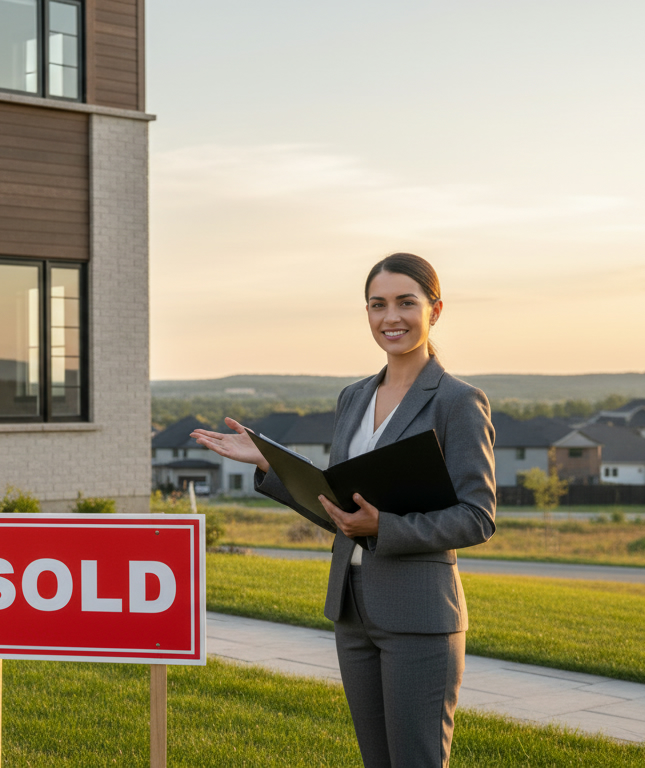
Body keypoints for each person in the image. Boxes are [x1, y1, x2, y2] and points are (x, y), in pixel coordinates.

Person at [191, 253, 496, 768]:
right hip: (352, 610)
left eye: (406, 302)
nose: (390, 317)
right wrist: (272, 463)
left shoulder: (457, 401)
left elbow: (478, 516)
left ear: (436, 310)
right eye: (377, 305)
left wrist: (386, 526)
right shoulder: (353, 398)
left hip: (419, 615)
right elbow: (334, 503)